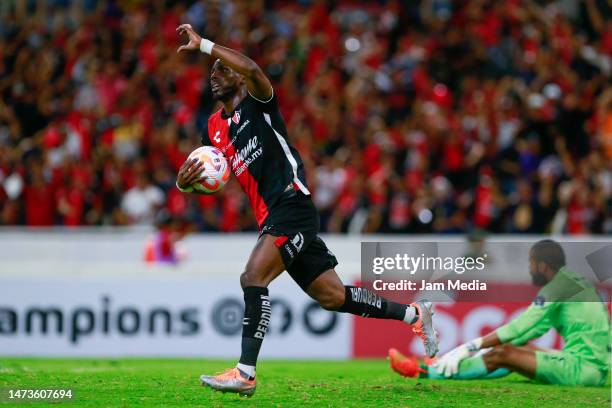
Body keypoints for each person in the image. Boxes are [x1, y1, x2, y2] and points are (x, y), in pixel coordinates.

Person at [174, 24, 438, 397]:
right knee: (332, 297)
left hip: (292, 206)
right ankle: (415, 315)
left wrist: (205, 46)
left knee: (253, 277)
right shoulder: (214, 129)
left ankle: (245, 373)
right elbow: (214, 176)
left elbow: (252, 68)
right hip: (272, 215)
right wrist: (186, 184)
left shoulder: (260, 102)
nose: (214, 77)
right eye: (211, 72)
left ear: (237, 75)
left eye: (221, 69)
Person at [389, 240, 610, 387]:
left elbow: (519, 326)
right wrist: (477, 353)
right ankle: (444, 366)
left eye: (532, 264)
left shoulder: (557, 287)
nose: (531, 269)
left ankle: (422, 371)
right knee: (514, 350)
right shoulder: (575, 283)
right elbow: (527, 333)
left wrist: (469, 346)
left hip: (581, 370)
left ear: (543, 265)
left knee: (505, 354)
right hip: (596, 369)